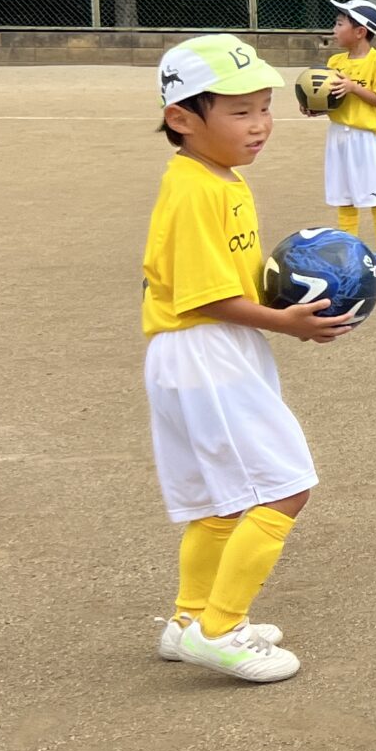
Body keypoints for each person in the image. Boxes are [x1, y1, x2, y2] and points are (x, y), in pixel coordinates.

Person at [144, 34, 357, 683]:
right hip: (206, 351)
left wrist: (293, 292)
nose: (260, 124)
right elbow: (206, 296)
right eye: (240, 112)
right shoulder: (195, 191)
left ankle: (188, 621)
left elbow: (228, 280)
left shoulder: (218, 178)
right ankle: (220, 629)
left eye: (264, 107)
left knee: (222, 502)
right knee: (286, 486)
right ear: (182, 118)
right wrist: (287, 322)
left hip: (203, 350)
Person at [323, 0, 376, 272]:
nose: (334, 29)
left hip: (366, 138)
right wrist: (314, 106)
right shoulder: (335, 61)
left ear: (360, 31)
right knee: (344, 196)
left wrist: (354, 87)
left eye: (339, 24)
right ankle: (349, 251)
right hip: (338, 136)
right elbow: (331, 99)